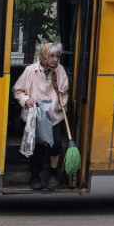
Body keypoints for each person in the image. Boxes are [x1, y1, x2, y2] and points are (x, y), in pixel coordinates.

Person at [12, 41, 71, 190]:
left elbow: (64, 92)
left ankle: (53, 174)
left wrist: (62, 103)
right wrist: (27, 100)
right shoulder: (31, 71)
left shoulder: (60, 71)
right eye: (52, 56)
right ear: (44, 55)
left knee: (55, 144)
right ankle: (34, 176)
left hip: (54, 115)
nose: (55, 59)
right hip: (35, 115)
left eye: (57, 56)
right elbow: (17, 90)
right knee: (37, 147)